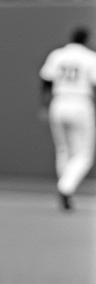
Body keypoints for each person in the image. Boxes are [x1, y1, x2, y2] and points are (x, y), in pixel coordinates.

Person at [39, 27, 96, 210]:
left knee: (63, 149)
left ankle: (65, 187)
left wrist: (44, 106)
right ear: (86, 39)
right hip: (80, 103)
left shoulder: (57, 54)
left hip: (59, 102)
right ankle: (65, 187)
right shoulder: (89, 56)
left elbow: (46, 81)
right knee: (84, 154)